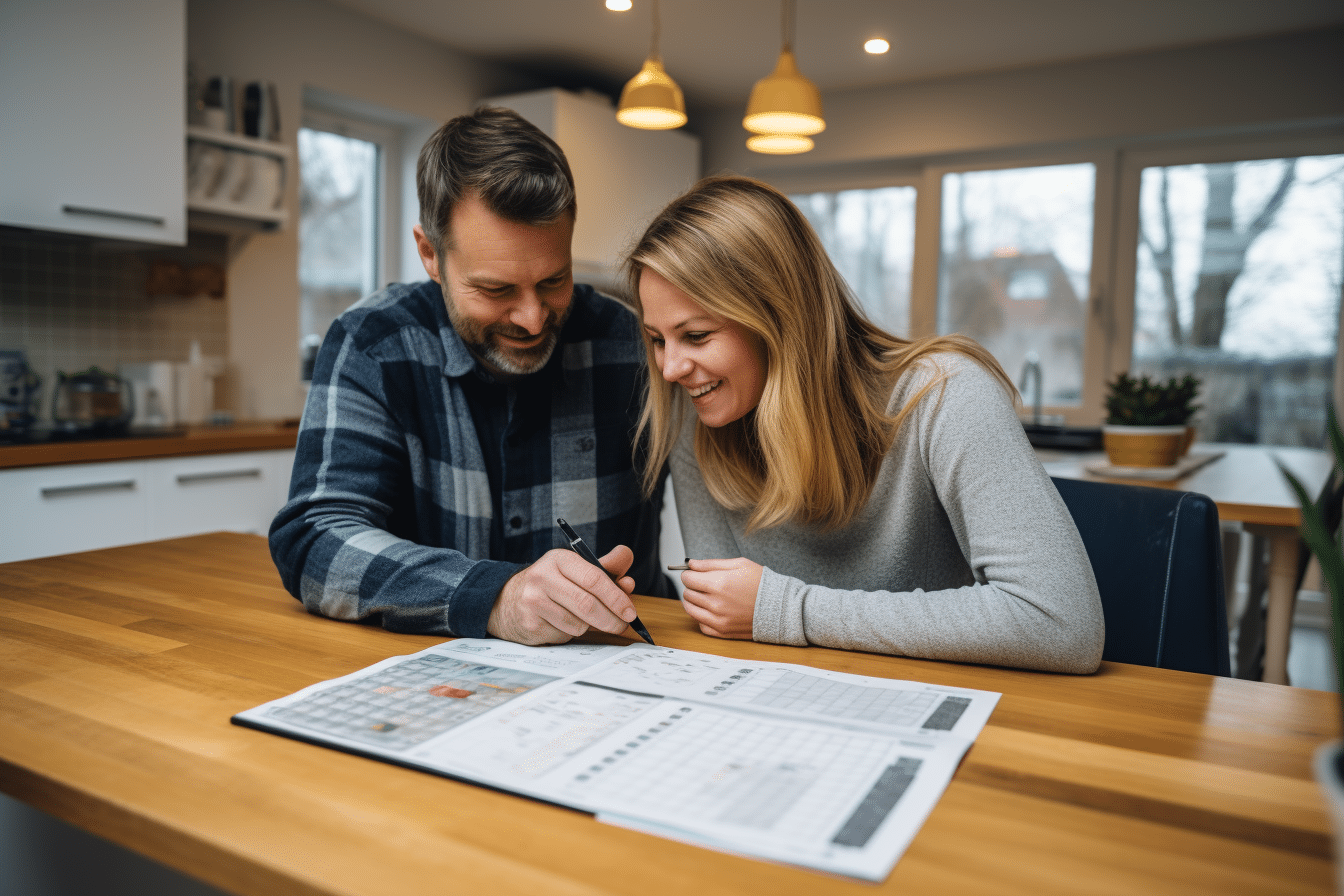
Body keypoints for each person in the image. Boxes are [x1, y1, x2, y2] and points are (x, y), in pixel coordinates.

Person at [626, 175, 1104, 673]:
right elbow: (729, 624)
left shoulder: (945, 393)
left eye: (696, 336)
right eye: (657, 340)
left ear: (781, 317)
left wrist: (793, 610)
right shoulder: (697, 417)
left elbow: (1062, 625)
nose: (670, 369)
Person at [270, 107, 673, 646]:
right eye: (496, 290)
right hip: (431, 683)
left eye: (554, 281)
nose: (532, 319)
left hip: (626, 666)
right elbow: (315, 537)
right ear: (430, 255)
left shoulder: (631, 346)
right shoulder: (373, 346)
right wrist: (495, 597)